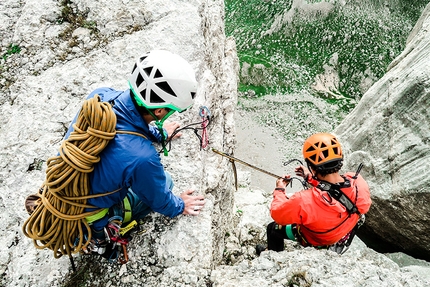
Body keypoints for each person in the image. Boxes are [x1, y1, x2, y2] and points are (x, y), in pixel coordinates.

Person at [65, 50, 206, 259]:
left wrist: (159, 132)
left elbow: (124, 120)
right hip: (88, 216)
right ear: (159, 111)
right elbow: (158, 199)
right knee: (165, 182)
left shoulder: (100, 96)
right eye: (170, 109)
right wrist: (180, 206)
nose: (170, 113)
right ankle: (97, 235)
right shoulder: (142, 157)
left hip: (67, 189)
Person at [257, 132, 371, 255]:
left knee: (273, 228)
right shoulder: (359, 183)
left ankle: (272, 255)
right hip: (342, 234)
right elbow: (336, 190)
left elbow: (277, 213)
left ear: (312, 167)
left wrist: (280, 190)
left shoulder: (304, 200)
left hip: (316, 239)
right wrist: (311, 178)